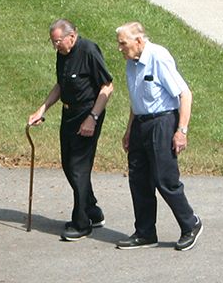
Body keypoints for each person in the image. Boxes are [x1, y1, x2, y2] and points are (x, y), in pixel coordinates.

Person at [115, 22, 202, 251]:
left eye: (123, 43)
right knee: (139, 180)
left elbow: (185, 95)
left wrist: (181, 131)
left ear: (139, 41)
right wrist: (129, 130)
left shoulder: (159, 57)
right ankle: (145, 232)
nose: (120, 48)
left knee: (165, 179)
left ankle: (190, 224)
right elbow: (137, 100)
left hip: (162, 122)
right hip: (140, 124)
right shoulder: (131, 63)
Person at [28, 19, 113, 241]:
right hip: (69, 114)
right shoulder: (62, 53)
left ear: (72, 37)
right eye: (53, 42)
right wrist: (42, 110)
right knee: (68, 164)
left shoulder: (88, 50)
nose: (55, 46)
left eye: (57, 42)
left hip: (87, 114)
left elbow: (107, 86)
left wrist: (92, 118)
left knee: (78, 167)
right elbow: (60, 85)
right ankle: (92, 210)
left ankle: (82, 222)